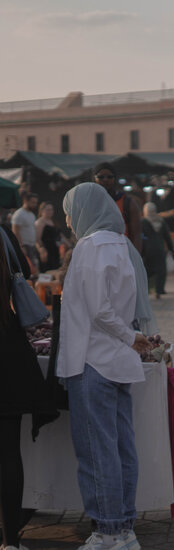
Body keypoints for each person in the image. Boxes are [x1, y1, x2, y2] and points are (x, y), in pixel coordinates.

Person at [59, 182, 156, 550]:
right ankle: (124, 528)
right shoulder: (120, 243)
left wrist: (128, 336)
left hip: (93, 359)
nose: (68, 220)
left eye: (69, 211)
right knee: (121, 449)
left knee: (97, 452)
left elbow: (99, 310)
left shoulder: (89, 247)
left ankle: (109, 531)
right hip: (116, 361)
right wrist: (129, 337)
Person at [0, 222, 57, 550]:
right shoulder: (3, 234)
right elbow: (23, 275)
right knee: (9, 452)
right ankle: (10, 541)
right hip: (8, 349)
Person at [93, 163, 143, 254]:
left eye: (109, 177)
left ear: (115, 178)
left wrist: (136, 257)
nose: (105, 180)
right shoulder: (89, 202)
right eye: (101, 177)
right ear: (94, 178)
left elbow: (136, 235)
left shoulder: (127, 202)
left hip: (122, 254)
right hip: (96, 254)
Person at [142, 203, 174, 298]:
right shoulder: (161, 221)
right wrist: (171, 248)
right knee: (161, 270)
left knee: (148, 270)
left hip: (147, 249)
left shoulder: (143, 222)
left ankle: (148, 289)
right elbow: (167, 237)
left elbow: (141, 237)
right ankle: (159, 290)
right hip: (160, 249)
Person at [11, 191, 39, 272]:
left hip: (32, 246)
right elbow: (15, 231)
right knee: (27, 270)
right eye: (32, 202)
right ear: (25, 201)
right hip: (24, 246)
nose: (35, 204)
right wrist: (21, 246)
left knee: (35, 269)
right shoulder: (19, 214)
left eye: (36, 203)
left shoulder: (31, 215)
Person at [34, 201, 63, 272]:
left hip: (55, 250)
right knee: (47, 271)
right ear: (42, 210)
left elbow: (60, 235)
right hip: (46, 250)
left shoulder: (53, 221)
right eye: (48, 210)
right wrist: (42, 250)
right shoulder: (39, 222)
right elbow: (37, 239)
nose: (50, 211)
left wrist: (70, 245)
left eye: (52, 209)